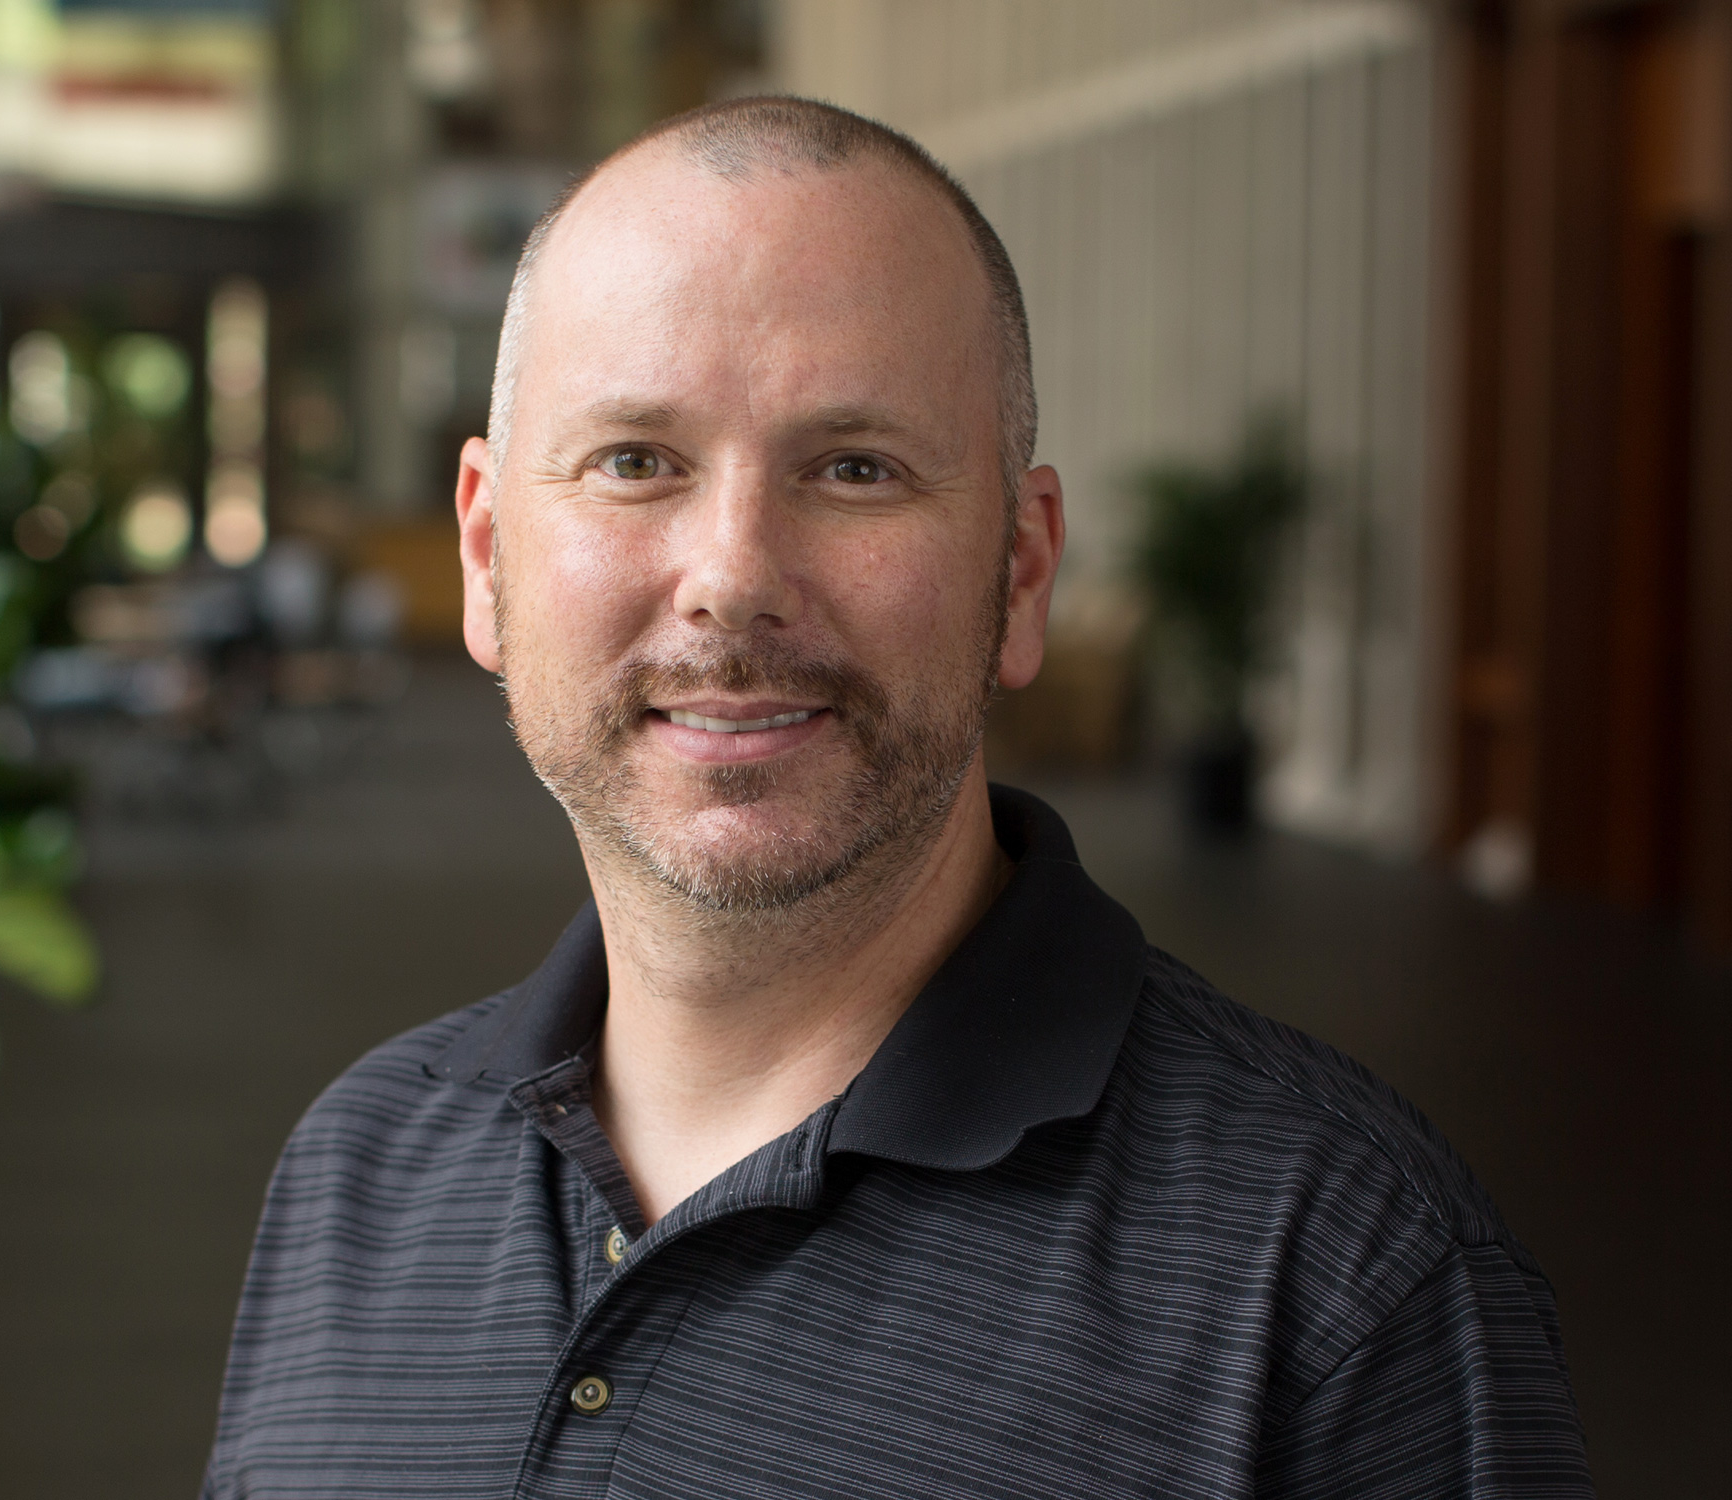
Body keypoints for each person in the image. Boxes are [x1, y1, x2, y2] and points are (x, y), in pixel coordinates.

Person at [203, 97, 1591, 1498]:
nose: (733, 576)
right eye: (637, 461)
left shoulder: (1342, 1284)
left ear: (1023, 573)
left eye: (855, 470)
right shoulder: (361, 1171)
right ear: (488, 554)